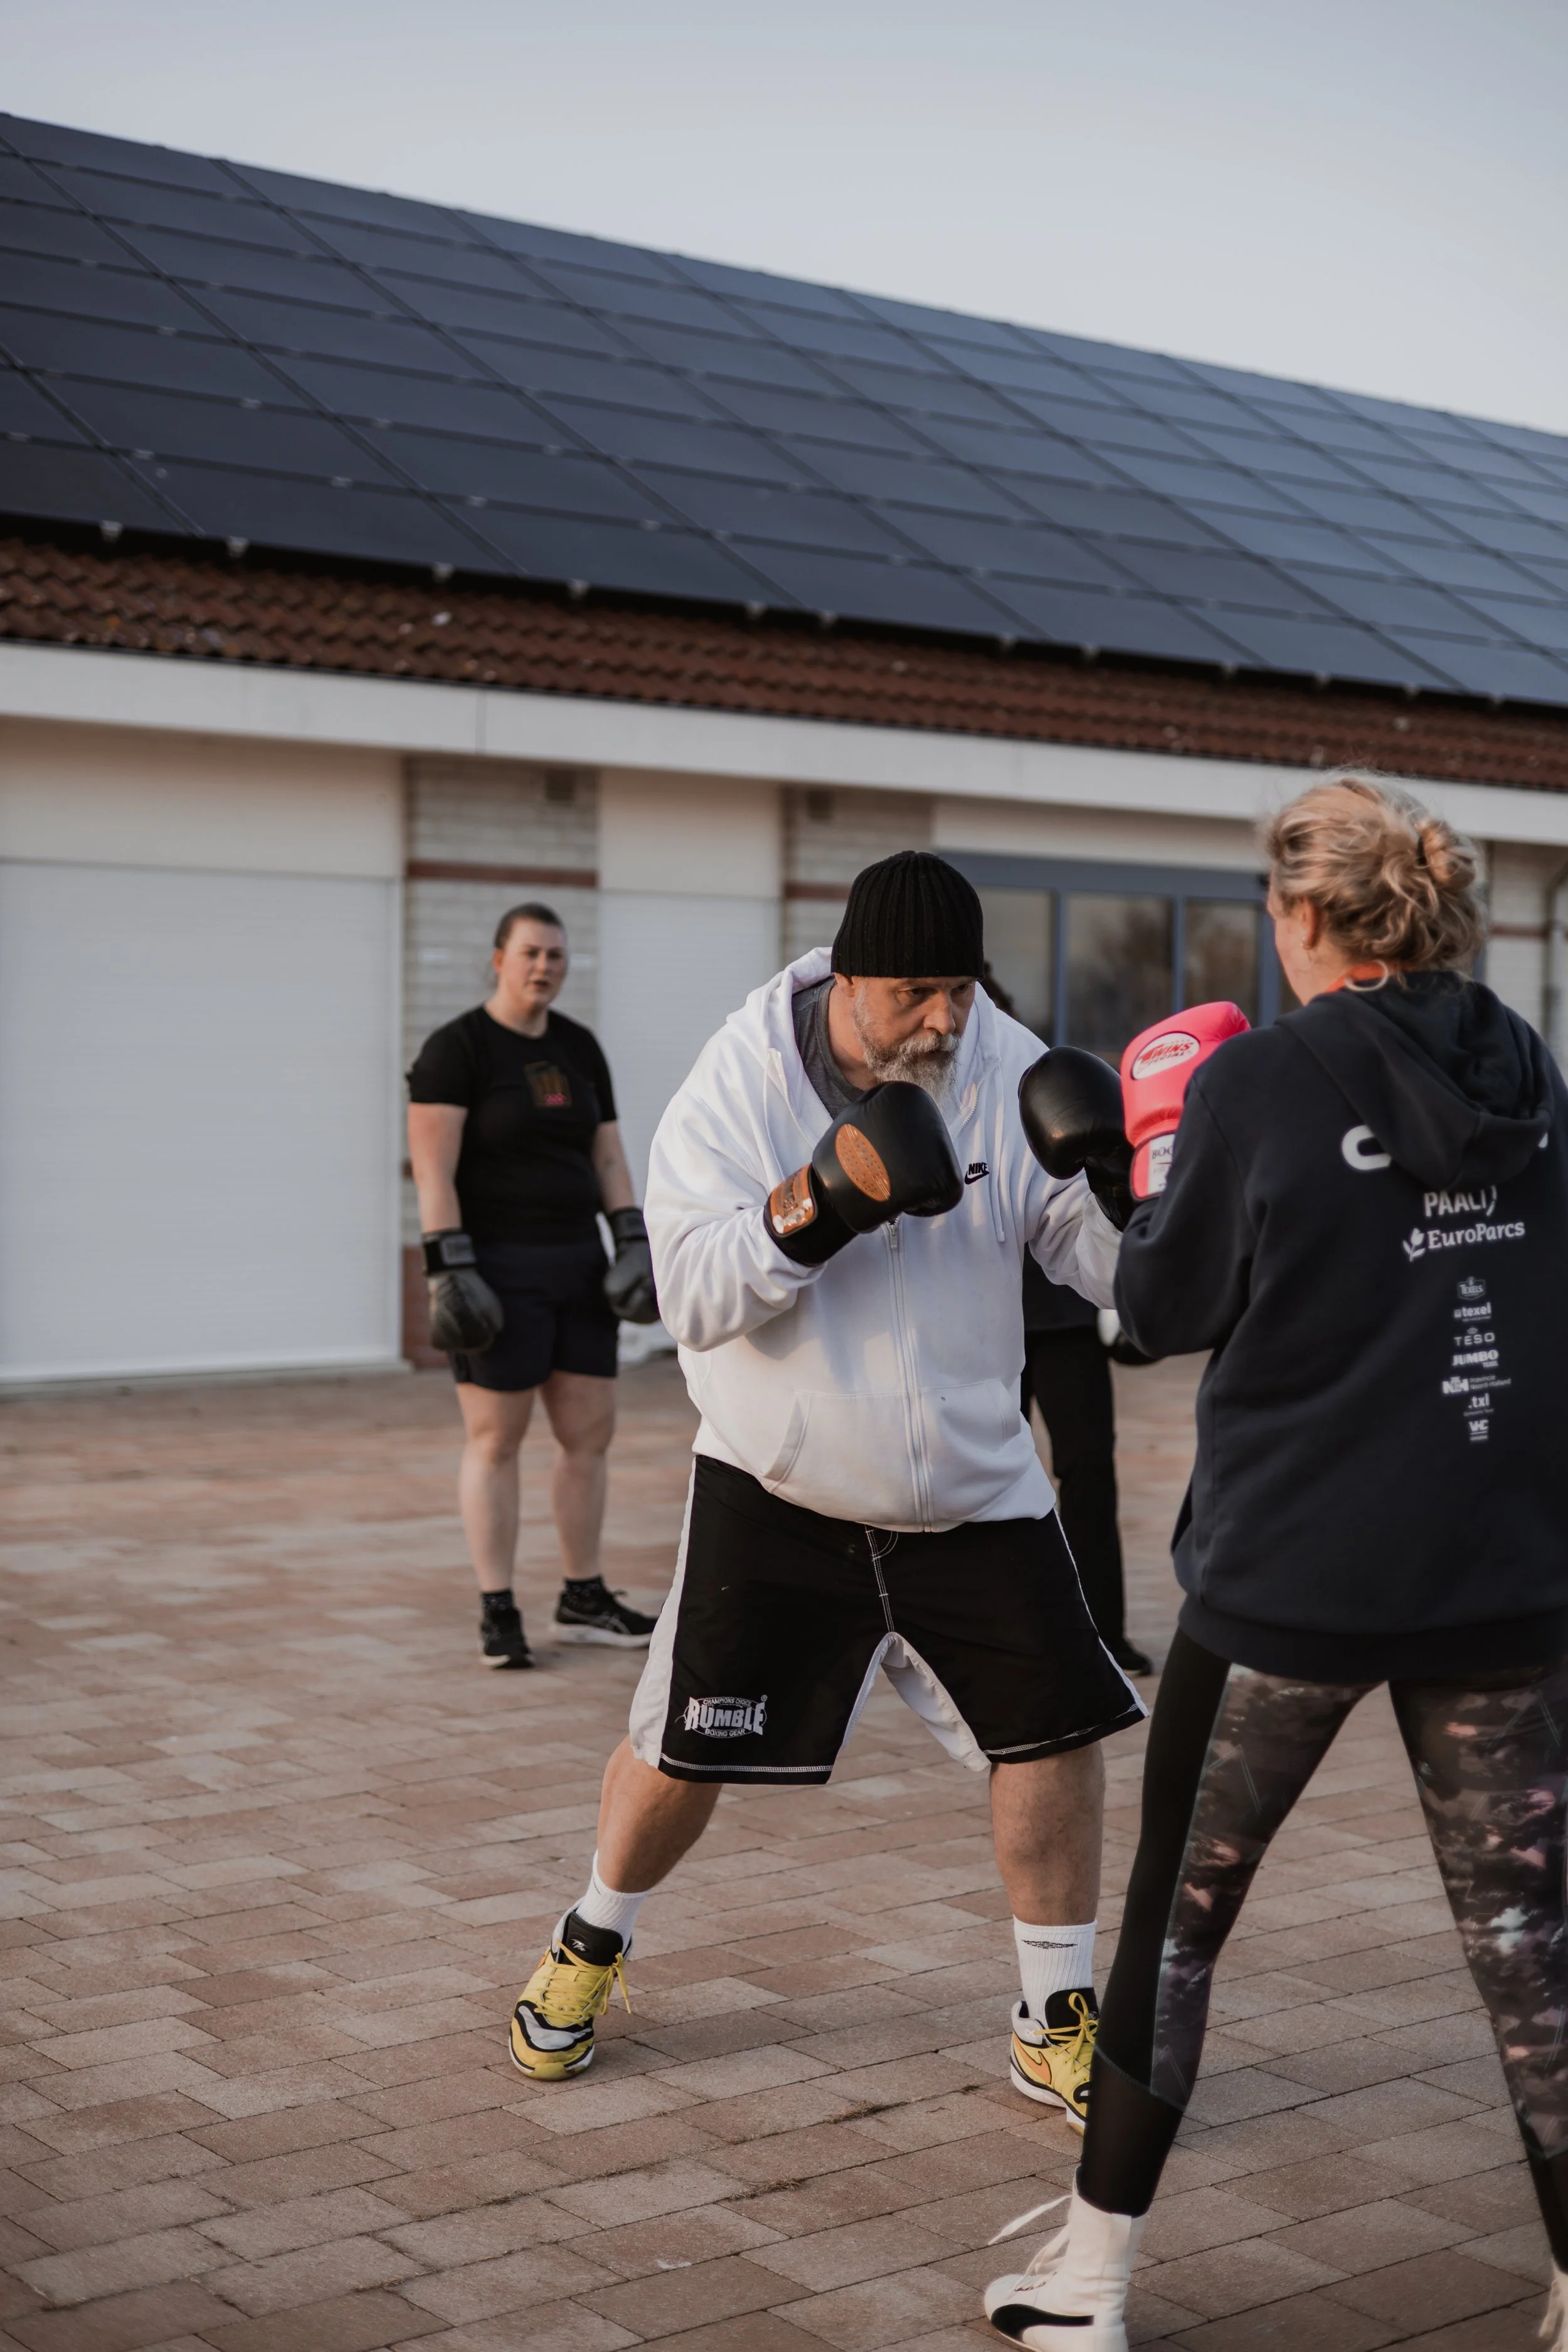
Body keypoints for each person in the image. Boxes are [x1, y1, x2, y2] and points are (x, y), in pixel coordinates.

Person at [983, 776, 1568, 2349]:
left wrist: (1118, 1169)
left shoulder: (1259, 1077)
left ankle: (1090, 2283)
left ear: (1302, 914)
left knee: (1176, 1923)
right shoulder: (1530, 1064)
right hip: (1500, 1565)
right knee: (1527, 1941)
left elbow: (1161, 1313)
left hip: (1293, 1573)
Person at [507, 851, 1145, 2122]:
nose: (943, 1020)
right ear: (847, 979)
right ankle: (591, 1938)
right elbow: (681, 1295)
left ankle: (1051, 2011)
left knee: (1058, 1738)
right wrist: (818, 1205)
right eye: (915, 992)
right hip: (779, 1479)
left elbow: (1092, 1259)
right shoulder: (737, 1079)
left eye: (957, 990)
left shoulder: (1001, 1064)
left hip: (972, 1484)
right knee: (680, 1751)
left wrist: (1134, 1211)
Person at [406, 902, 659, 1671]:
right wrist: (448, 1269)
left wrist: (631, 1237)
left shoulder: (580, 1048)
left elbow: (608, 1155)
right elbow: (433, 1167)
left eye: (555, 954)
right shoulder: (457, 1049)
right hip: (495, 1270)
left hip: (578, 1266)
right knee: (496, 1441)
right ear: (498, 959)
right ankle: (498, 1607)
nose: (543, 966)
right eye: (529, 953)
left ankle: (583, 1597)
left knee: (588, 1438)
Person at [1021, 1259, 1151, 1678]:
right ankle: (1010, 1634)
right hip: (979, 1313)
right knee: (991, 1482)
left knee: (1089, 1473)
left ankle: (1104, 1634)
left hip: (1071, 1304)